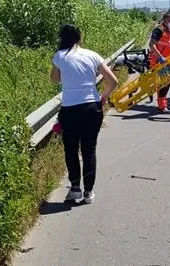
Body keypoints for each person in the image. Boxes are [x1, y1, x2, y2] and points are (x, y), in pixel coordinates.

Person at [50, 24, 119, 204]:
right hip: (91, 107)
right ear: (80, 38)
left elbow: (54, 80)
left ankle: (75, 189)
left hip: (70, 109)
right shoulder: (93, 55)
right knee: (89, 150)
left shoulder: (59, 56)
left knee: (71, 150)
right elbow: (113, 81)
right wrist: (103, 97)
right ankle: (89, 193)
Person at [148, 11, 170, 114]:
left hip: (166, 62)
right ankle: (161, 107)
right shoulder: (159, 30)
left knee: (166, 84)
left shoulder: (169, 32)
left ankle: (164, 105)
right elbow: (152, 44)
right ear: (165, 20)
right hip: (158, 61)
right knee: (163, 84)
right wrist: (160, 57)